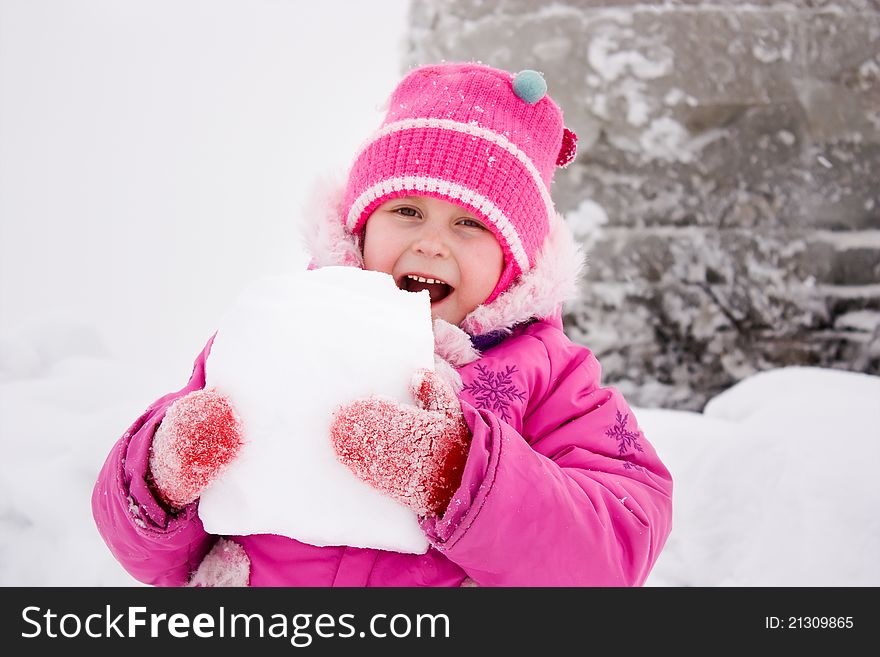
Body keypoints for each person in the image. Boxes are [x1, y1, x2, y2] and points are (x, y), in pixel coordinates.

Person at [92, 62, 673, 586]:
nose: (432, 242)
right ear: (362, 228)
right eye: (407, 211)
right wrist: (161, 477)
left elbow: (616, 548)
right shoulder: (283, 332)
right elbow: (145, 554)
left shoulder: (550, 377)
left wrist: (458, 478)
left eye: (470, 225)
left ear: (512, 260)